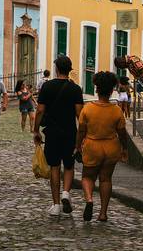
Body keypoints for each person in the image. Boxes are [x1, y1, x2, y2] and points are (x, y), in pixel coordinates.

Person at [33, 55, 84, 218]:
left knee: (54, 167)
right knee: (69, 166)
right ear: (69, 70)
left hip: (52, 132)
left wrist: (36, 130)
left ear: (56, 69)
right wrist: (82, 135)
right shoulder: (76, 89)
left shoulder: (47, 87)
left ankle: (56, 205)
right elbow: (80, 115)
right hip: (70, 132)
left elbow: (40, 111)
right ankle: (66, 193)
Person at [77, 70, 130, 223]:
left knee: (87, 177)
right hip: (111, 147)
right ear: (112, 91)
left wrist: (77, 146)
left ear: (96, 89)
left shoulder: (88, 109)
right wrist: (124, 148)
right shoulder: (116, 111)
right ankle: (103, 213)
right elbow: (122, 133)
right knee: (106, 179)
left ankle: (89, 199)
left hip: (92, 146)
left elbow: (81, 131)